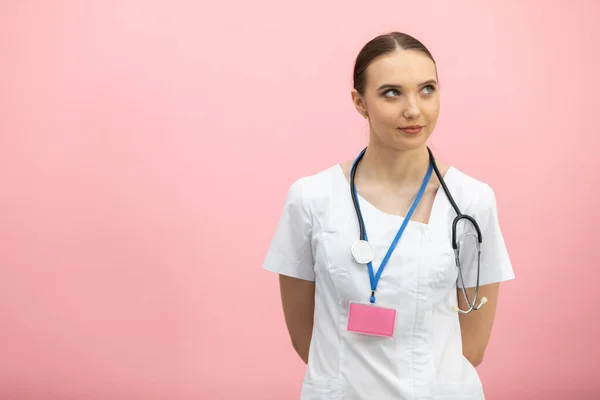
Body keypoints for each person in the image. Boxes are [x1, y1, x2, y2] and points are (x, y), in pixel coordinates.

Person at [262, 31, 515, 400]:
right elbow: (304, 336)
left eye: (427, 89)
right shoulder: (312, 198)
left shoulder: (471, 200)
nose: (414, 109)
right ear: (360, 102)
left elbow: (472, 347)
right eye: (391, 92)